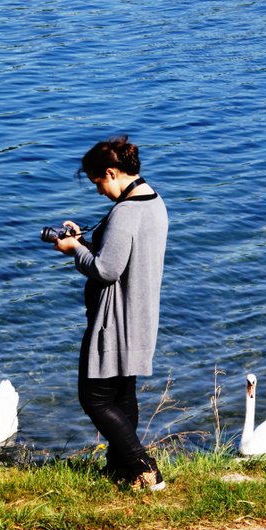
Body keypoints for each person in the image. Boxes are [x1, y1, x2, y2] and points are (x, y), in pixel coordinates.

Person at [53, 136, 168, 491]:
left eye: (98, 183)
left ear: (111, 172)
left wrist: (75, 250)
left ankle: (145, 467)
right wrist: (85, 242)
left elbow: (106, 270)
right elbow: (121, 257)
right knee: (122, 395)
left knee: (95, 398)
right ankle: (122, 469)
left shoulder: (126, 212)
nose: (100, 191)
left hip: (115, 320)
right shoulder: (153, 201)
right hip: (141, 315)